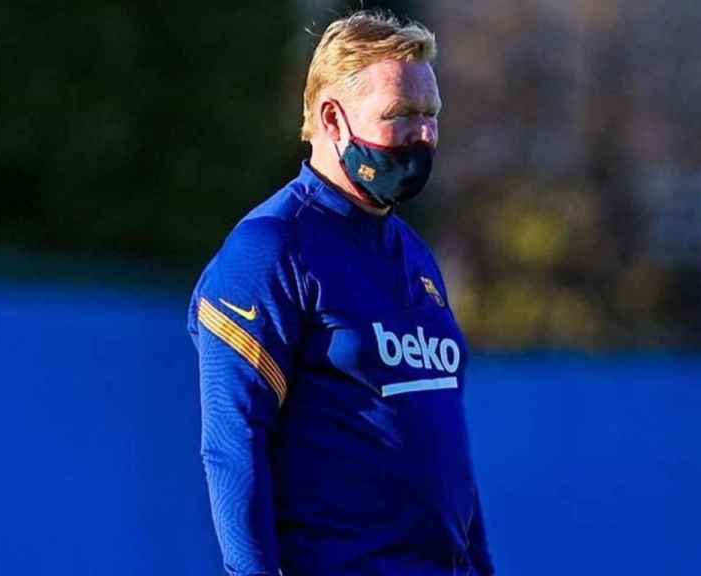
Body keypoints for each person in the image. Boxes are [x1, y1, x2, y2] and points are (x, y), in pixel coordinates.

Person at [186, 10, 495, 576]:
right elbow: (233, 447)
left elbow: (446, 460)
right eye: (402, 115)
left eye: (431, 116)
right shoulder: (272, 249)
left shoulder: (415, 256)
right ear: (332, 118)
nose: (423, 135)